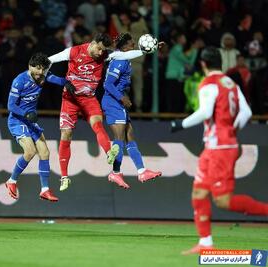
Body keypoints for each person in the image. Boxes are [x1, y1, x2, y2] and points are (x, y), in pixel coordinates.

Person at [170, 46, 268, 254]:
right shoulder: (230, 83)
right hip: (216, 146)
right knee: (199, 191)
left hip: (220, 148)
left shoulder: (208, 83)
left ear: (203, 64)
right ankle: (205, 243)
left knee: (223, 200)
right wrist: (233, 129)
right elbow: (247, 111)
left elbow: (205, 111)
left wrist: (181, 124)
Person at [48, 32, 158, 191]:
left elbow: (124, 55)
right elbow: (47, 62)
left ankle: (111, 157)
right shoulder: (73, 52)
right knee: (66, 135)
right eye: (99, 49)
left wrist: (147, 51)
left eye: (103, 51)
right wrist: (61, 81)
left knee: (98, 124)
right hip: (70, 99)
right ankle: (64, 177)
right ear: (93, 43)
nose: (101, 53)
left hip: (88, 98)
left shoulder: (107, 55)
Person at [5, 53, 73, 202]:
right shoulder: (19, 81)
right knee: (30, 151)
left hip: (30, 121)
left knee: (45, 152)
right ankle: (12, 181)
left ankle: (44, 190)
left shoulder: (42, 75)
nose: (41, 73)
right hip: (18, 120)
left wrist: (66, 82)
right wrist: (26, 114)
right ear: (30, 66)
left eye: (43, 69)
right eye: (38, 69)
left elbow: (54, 78)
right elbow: (10, 105)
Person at [102, 33, 162, 188]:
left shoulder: (124, 60)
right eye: (131, 44)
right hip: (113, 102)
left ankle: (142, 171)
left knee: (129, 136)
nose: (134, 46)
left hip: (118, 103)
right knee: (119, 138)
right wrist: (121, 98)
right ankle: (115, 173)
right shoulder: (119, 62)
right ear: (124, 47)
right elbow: (108, 84)